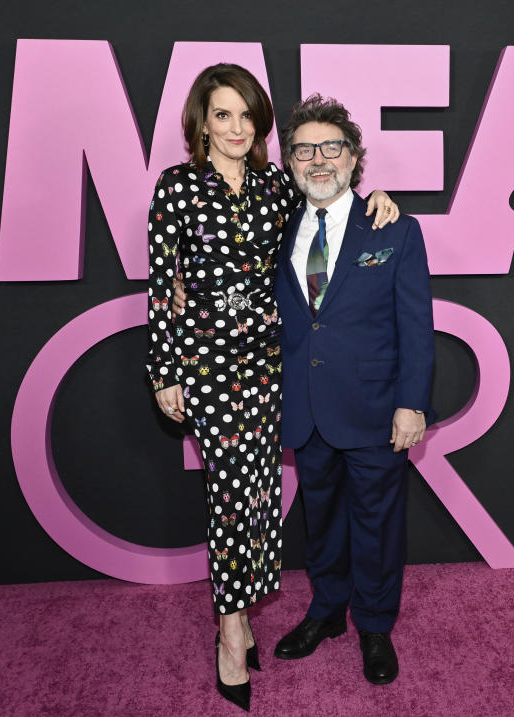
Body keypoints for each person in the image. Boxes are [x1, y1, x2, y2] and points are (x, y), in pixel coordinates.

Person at [146, 64, 399, 711]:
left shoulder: (274, 191)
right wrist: (164, 369)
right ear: (201, 122)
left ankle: (247, 616)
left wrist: (380, 199)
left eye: (245, 115)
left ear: (259, 125)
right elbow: (163, 289)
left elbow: (331, 200)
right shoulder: (176, 191)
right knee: (230, 502)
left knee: (258, 504)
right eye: (222, 114)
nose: (235, 127)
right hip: (208, 374)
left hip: (269, 374)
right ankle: (231, 631)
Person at [270, 94, 434, 685]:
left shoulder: (395, 228)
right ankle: (326, 610)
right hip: (304, 408)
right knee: (322, 518)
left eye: (331, 147)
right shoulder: (273, 227)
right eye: (305, 149)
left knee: (377, 522)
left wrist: (411, 403)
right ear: (289, 162)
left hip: (374, 409)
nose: (319, 159)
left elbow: (415, 325)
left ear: (354, 157)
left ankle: (373, 624)